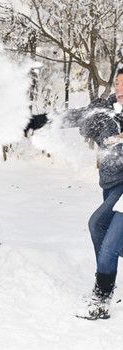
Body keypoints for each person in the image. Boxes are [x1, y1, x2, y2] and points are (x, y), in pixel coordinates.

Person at [74, 68, 123, 319]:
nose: (119, 88)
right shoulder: (107, 111)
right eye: (117, 82)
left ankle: (102, 298)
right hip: (112, 184)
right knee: (99, 228)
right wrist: (41, 121)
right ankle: (107, 275)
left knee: (109, 240)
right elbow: (81, 117)